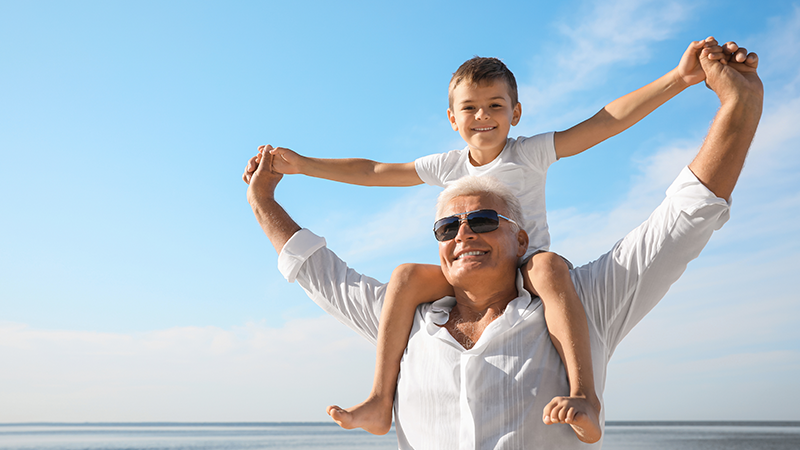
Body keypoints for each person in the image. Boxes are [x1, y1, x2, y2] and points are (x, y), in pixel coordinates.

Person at [243, 38, 761, 449]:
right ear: (452, 117)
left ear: (516, 111)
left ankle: (584, 396)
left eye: (483, 220)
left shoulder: (574, 294)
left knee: (549, 268)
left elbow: (611, 128)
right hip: (456, 282)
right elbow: (365, 188)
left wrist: (681, 78)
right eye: (447, 228)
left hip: (535, 270)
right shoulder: (408, 314)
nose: (464, 233)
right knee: (403, 277)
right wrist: (289, 174)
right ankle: (380, 399)